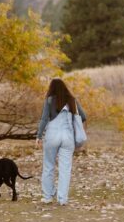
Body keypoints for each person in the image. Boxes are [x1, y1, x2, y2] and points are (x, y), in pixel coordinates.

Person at [36, 77, 86, 205]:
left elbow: (43, 119)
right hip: (68, 137)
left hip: (52, 136)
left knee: (48, 167)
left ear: (51, 88)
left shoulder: (49, 100)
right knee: (65, 169)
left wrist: (39, 136)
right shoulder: (72, 100)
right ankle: (62, 199)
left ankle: (47, 197)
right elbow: (84, 116)